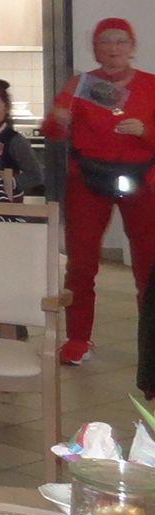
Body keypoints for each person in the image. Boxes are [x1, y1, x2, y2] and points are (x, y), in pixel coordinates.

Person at [44, 18, 155, 366]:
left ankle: (151, 345)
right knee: (80, 263)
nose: (113, 48)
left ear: (132, 46)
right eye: (105, 41)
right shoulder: (79, 85)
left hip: (143, 181)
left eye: (120, 41)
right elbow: (52, 132)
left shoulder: (151, 85)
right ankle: (78, 338)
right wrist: (57, 120)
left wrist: (145, 131)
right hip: (87, 181)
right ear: (95, 48)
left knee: (149, 265)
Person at [0, 79, 45, 195]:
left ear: (6, 107)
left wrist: (8, 182)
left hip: (5, 201)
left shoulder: (15, 140)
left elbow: (36, 176)